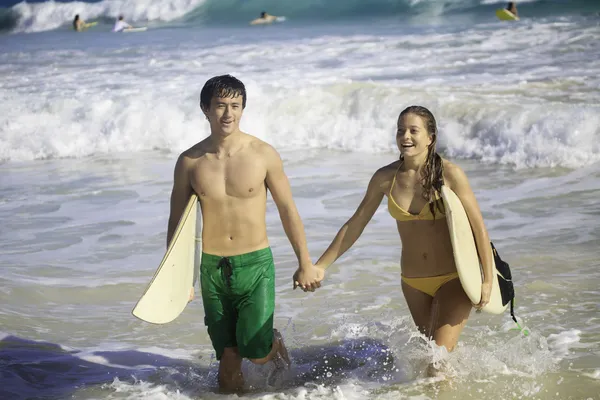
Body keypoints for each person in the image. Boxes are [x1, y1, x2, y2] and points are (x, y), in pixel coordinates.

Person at [167, 74, 323, 392]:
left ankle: (275, 344)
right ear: (205, 109)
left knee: (257, 352)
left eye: (235, 106)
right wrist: (178, 278)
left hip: (255, 266)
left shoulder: (262, 154)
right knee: (226, 369)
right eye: (221, 106)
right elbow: (177, 221)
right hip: (212, 270)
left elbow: (288, 210)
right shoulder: (190, 162)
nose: (228, 114)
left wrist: (305, 261)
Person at [311, 106, 494, 375]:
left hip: (453, 279)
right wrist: (321, 265)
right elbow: (355, 224)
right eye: (400, 130)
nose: (405, 136)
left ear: (430, 137)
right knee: (429, 361)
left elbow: (479, 227)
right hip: (413, 284)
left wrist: (487, 279)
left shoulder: (450, 175)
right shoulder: (386, 178)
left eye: (413, 130)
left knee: (436, 365)